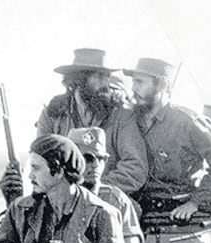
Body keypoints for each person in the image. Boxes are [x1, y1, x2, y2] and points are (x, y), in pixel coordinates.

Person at [124, 57, 211, 223]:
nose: (133, 88)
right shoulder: (129, 121)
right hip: (139, 214)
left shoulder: (188, 122)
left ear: (162, 85)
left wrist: (196, 203)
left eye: (140, 82)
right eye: (133, 82)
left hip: (178, 217)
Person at [66, 126, 152, 243]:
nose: (95, 165)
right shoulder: (60, 198)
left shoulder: (117, 200)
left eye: (101, 158)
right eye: (87, 158)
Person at [35, 48, 148, 195]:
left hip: (107, 196)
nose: (106, 83)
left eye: (107, 76)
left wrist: (94, 188)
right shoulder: (53, 114)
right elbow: (40, 162)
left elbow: (135, 168)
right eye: (99, 76)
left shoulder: (121, 115)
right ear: (79, 80)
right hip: (62, 196)